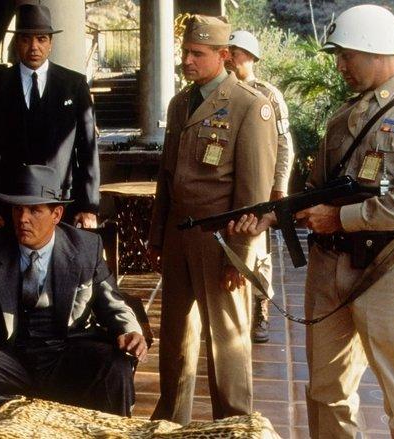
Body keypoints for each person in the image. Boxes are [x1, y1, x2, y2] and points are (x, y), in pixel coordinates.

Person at [228, 5, 394, 438]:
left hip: (387, 268)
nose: (340, 66)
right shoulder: (343, 116)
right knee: (327, 392)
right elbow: (318, 191)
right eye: (338, 56)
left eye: (347, 55)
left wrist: (341, 218)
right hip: (328, 270)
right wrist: (275, 214)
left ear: (377, 50)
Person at [0, 165, 147, 416]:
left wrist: (129, 330)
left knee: (116, 365)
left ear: (56, 214)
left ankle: (112, 433)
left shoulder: (85, 248)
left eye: (34, 210)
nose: (22, 219)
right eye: (17, 209)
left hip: (66, 356)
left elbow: (113, 302)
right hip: (8, 358)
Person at [147, 16, 277, 425]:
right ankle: (171, 422)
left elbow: (254, 195)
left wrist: (240, 256)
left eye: (197, 54)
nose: (187, 60)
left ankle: (234, 424)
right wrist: (157, 238)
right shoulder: (179, 103)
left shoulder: (249, 105)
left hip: (222, 241)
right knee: (176, 338)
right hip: (179, 237)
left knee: (227, 341)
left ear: (224, 56)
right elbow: (167, 178)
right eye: (185, 52)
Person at [0, 4, 99, 229]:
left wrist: (89, 206)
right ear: (17, 43)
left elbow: (88, 150)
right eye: (26, 39)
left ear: (51, 43)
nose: (34, 47)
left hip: (61, 204)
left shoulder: (74, 85)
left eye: (41, 39)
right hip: (12, 206)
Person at [226, 29, 296, 343]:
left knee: (259, 250)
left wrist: (279, 186)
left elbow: (284, 143)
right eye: (228, 52)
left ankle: (261, 308)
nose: (230, 58)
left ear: (252, 57)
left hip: (261, 185)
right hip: (229, 186)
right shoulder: (221, 93)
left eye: (237, 53)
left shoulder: (268, 94)